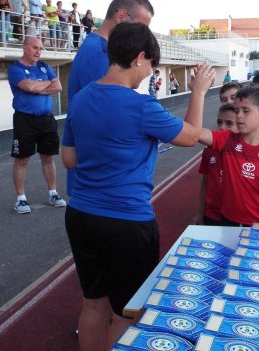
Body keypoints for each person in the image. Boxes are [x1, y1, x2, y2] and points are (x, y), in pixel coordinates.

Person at [61, 22, 215, 351]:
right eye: (150, 67)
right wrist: (199, 91)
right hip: (126, 221)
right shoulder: (141, 105)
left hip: (81, 215)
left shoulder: (80, 98)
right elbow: (190, 136)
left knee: (93, 305)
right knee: (126, 313)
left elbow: (69, 159)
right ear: (139, 58)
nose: (148, 74)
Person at [66, 0, 154, 197]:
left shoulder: (101, 49)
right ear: (121, 16)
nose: (143, 37)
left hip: (100, 178)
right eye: (140, 28)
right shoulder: (98, 52)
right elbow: (106, 112)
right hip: (101, 183)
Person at [197, 87, 259, 226]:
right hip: (228, 219)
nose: (239, 115)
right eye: (236, 110)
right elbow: (196, 133)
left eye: (246, 111)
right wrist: (198, 92)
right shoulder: (227, 140)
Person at [7, 36, 67, 214]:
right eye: (34, 48)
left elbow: (58, 87)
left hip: (47, 119)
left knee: (48, 157)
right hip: (25, 120)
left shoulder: (44, 66)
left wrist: (39, 86)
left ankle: (53, 193)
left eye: (40, 48)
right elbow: (29, 87)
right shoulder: (15, 68)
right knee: (22, 159)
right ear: (25, 48)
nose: (38, 52)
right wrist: (44, 84)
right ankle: (21, 199)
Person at [194, 103, 238, 226]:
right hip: (212, 214)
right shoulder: (209, 151)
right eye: (219, 122)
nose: (222, 127)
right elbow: (205, 183)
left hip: (236, 217)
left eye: (229, 123)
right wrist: (200, 212)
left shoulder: (245, 152)